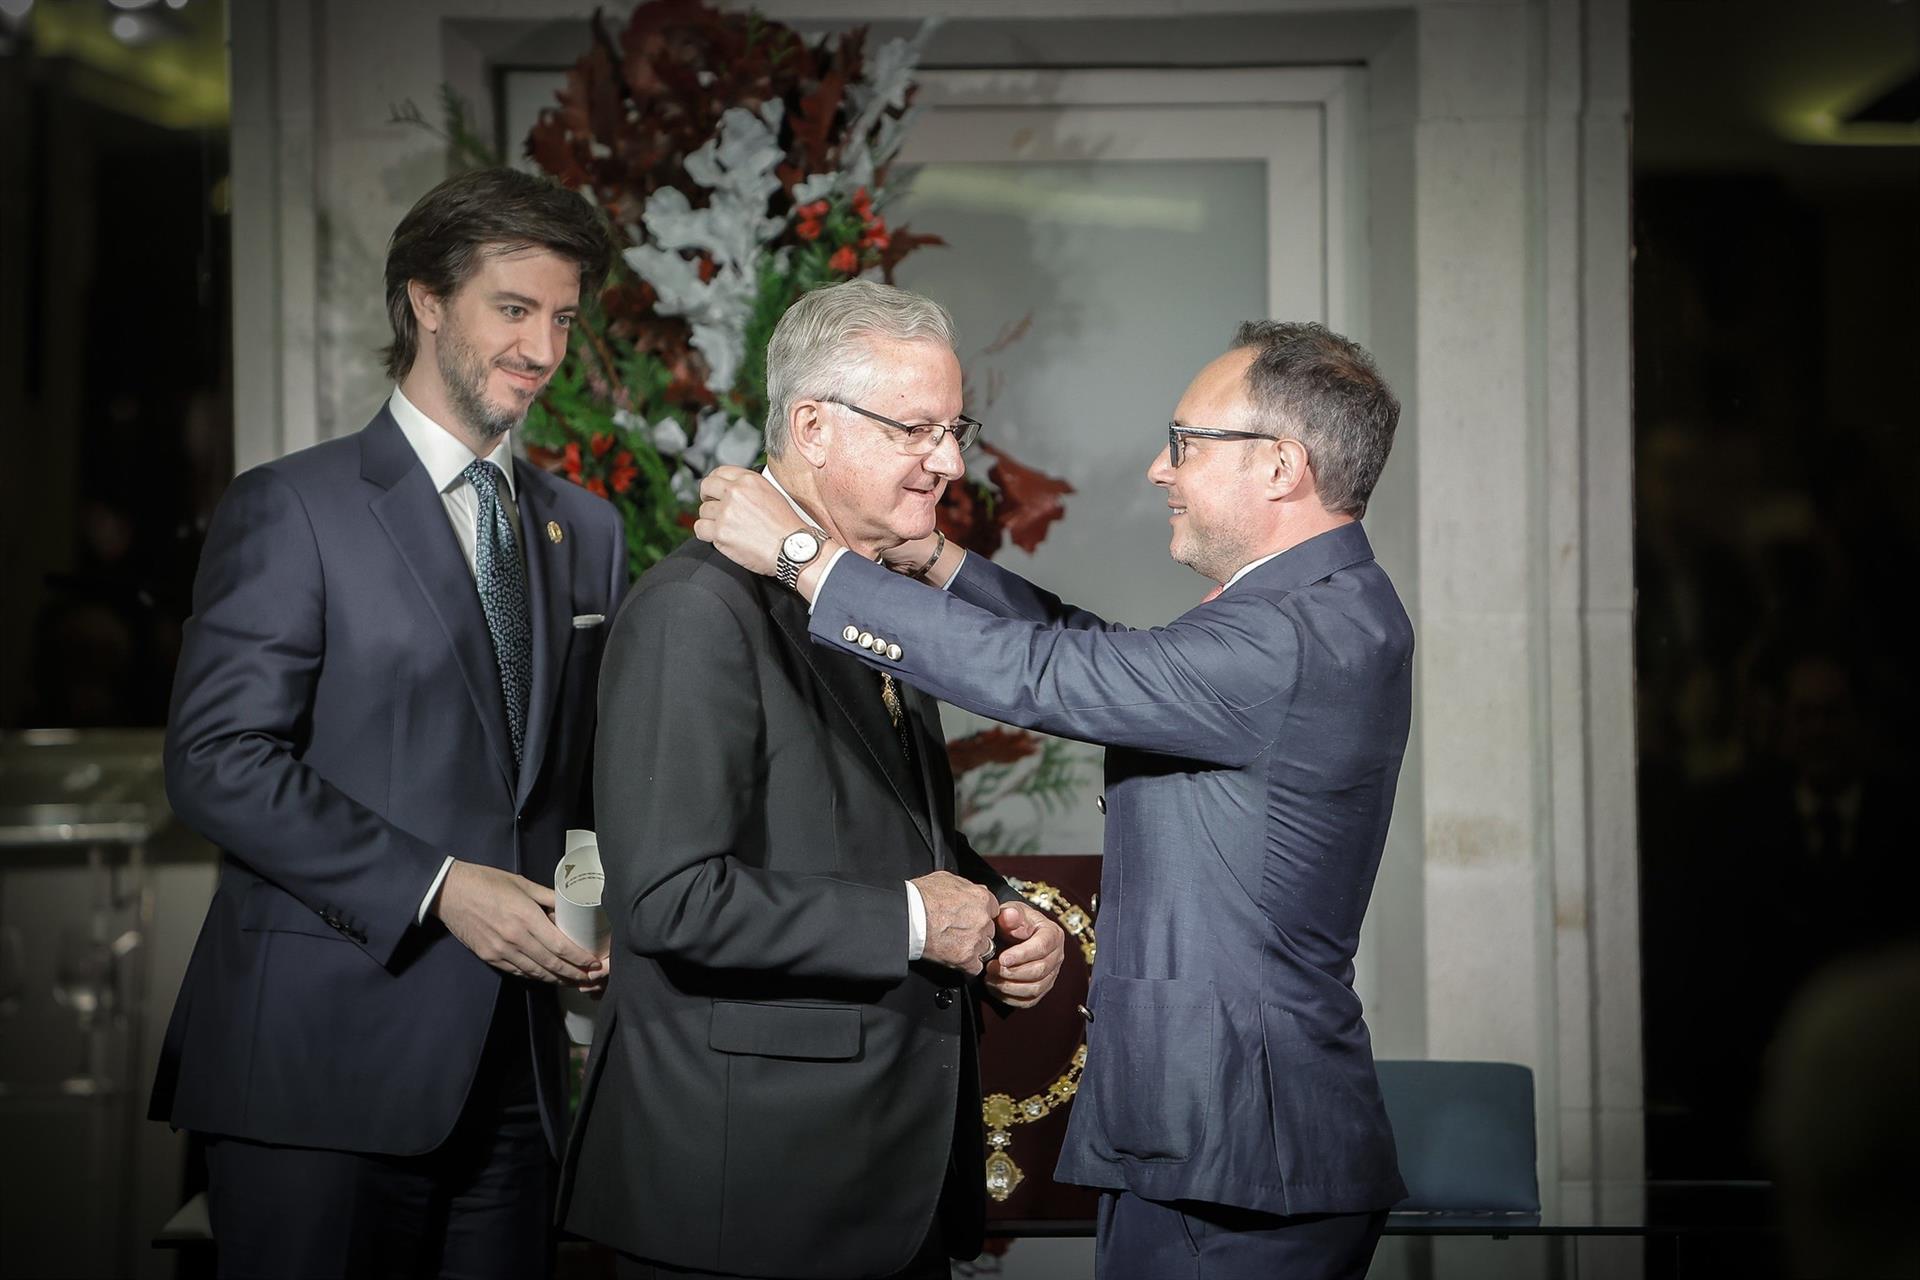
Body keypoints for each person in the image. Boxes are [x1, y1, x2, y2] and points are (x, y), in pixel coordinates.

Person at [696, 319, 1413, 1279]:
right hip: (1223, 1140)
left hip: (1239, 1149)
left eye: (1187, 443)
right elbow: (1106, 661)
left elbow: (1051, 678)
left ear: (1281, 465)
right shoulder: (1311, 605)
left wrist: (802, 558)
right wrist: (938, 567)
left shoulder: (1296, 636)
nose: (1162, 469)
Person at [151, 166, 628, 1278]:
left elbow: (576, 784)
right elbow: (216, 762)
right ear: (424, 299)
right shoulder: (293, 505)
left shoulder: (584, 529)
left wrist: (603, 915)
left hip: (516, 1076)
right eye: (514, 309)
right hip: (320, 1069)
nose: (544, 349)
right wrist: (438, 883)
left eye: (562, 317)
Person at [557, 279, 1066, 1280]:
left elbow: (893, 833)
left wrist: (999, 913)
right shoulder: (696, 609)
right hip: (746, 1191)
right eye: (918, 428)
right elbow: (668, 899)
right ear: (813, 426)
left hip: (878, 1181)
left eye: (953, 427)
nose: (951, 461)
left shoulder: (865, 594)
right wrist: (920, 926)